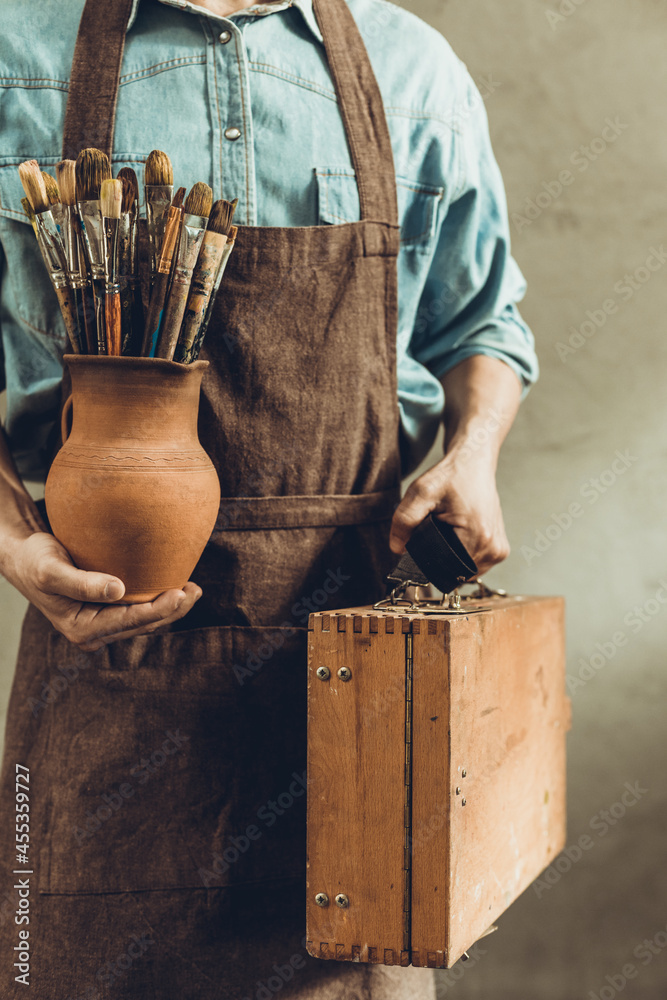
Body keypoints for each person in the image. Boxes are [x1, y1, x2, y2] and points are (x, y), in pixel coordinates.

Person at [0, 0, 538, 997]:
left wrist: (472, 452)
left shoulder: (409, 66)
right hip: (111, 684)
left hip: (366, 712)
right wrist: (13, 536)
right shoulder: (14, 51)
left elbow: (483, 327)